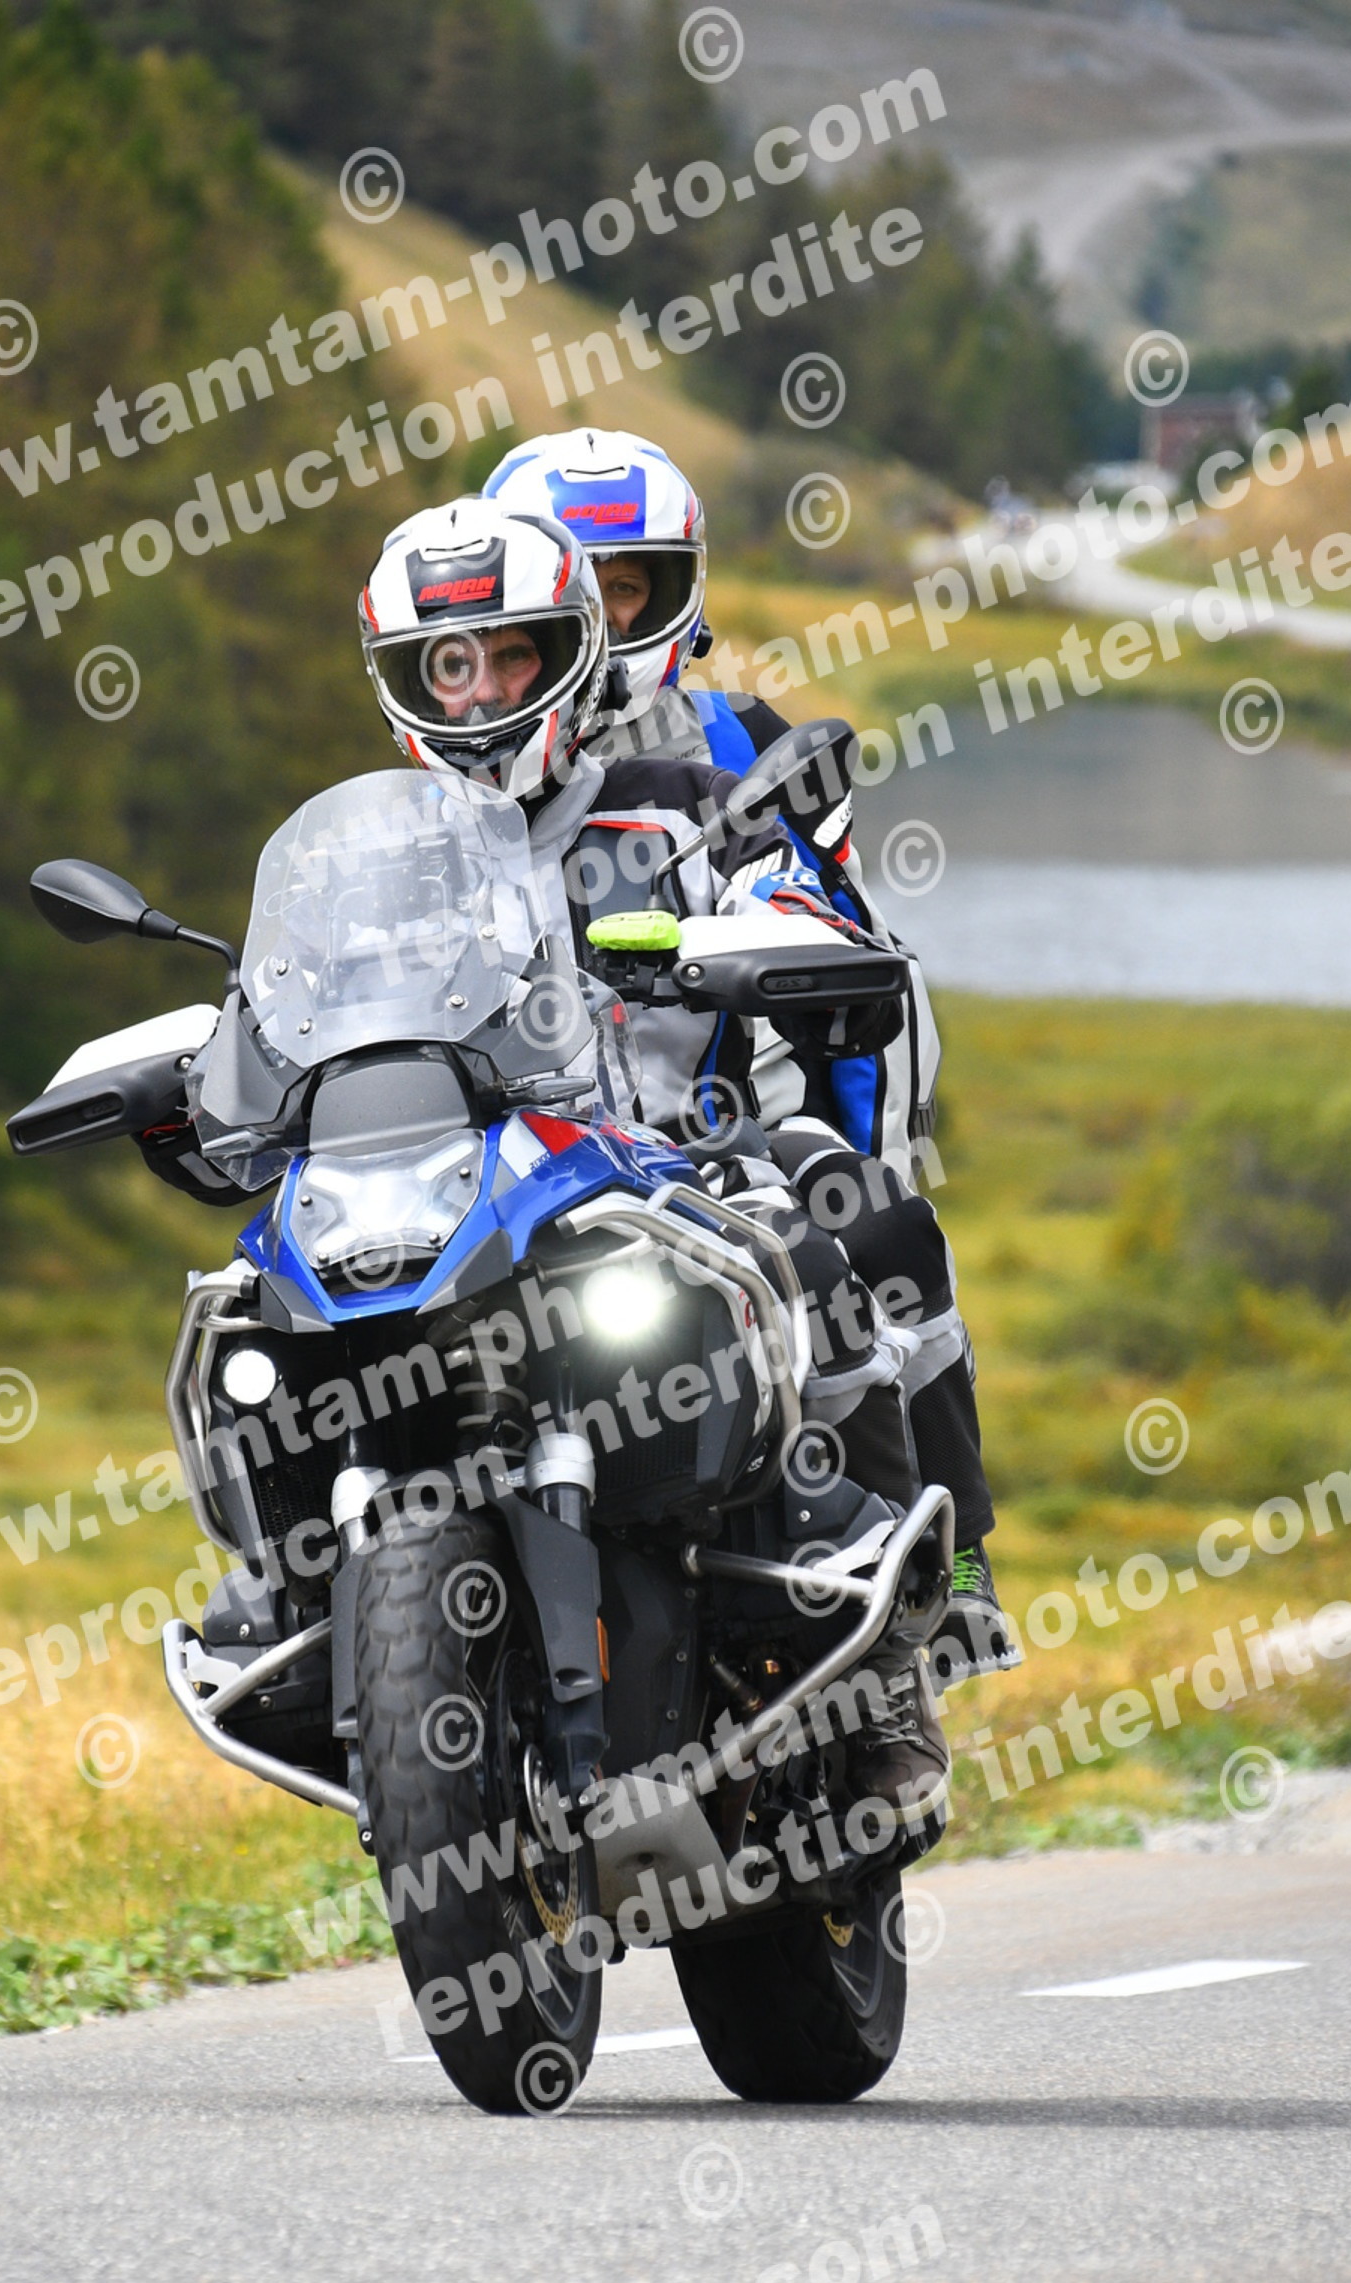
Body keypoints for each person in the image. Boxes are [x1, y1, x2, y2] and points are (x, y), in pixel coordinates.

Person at [359, 492, 954, 1811]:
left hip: (676, 1166)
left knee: (820, 1246)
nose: (480, 690)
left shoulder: (681, 804)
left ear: (570, 653)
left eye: (509, 654)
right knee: (266, 1318)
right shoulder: (378, 858)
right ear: (404, 681)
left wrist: (776, 933)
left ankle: (889, 1659)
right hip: (456, 1199)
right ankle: (291, 1587)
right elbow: (285, 1003)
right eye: (447, 664)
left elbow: (783, 893)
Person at [482, 428, 1019, 1690]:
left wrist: (864, 1150)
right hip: (487, 1159)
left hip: (695, 1134)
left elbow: (860, 962)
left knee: (877, 1224)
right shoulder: (446, 766)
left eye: (632, 585)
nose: (606, 615)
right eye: (578, 583)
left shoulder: (743, 749)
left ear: (680, 592)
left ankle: (941, 1565)